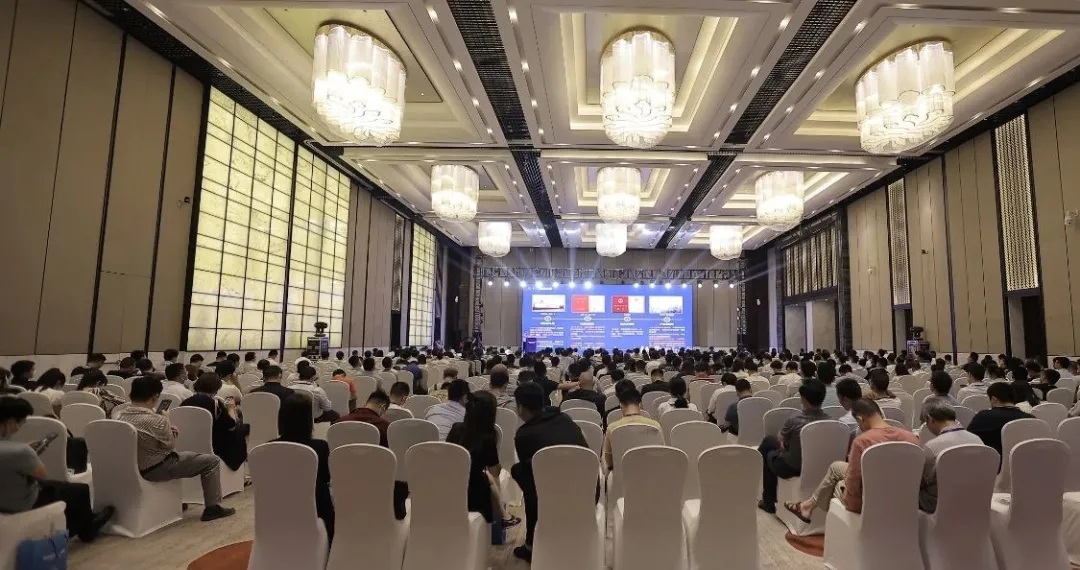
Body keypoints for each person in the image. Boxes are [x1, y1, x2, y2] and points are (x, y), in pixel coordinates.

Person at [116, 377, 235, 521]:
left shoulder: (119, 416)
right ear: (154, 397)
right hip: (156, 468)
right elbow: (169, 445)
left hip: (130, 468)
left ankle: (175, 500)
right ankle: (212, 508)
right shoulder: (156, 420)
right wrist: (166, 420)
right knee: (212, 461)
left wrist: (164, 427)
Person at [783, 399, 919, 521]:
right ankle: (807, 506)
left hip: (868, 501)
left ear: (860, 419)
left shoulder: (863, 441)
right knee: (836, 467)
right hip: (904, 499)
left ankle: (809, 507)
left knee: (838, 483)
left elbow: (853, 484)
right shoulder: (911, 438)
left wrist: (846, 490)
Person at [0, 397, 115, 541]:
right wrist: (30, 456)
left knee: (62, 487)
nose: (20, 427)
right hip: (21, 501)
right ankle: (83, 530)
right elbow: (42, 475)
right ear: (11, 422)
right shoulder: (21, 452)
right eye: (22, 422)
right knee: (80, 490)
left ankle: (87, 523)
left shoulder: (17, 449)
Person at [510, 382, 591, 562]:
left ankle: (531, 545)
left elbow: (532, 476)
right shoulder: (564, 418)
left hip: (551, 495)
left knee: (523, 477)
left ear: (520, 407)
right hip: (588, 490)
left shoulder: (523, 435)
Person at [446, 391, 520, 528]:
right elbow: (494, 471)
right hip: (474, 494)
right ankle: (504, 517)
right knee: (487, 478)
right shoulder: (488, 437)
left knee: (484, 478)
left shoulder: (456, 429)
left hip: (449, 485)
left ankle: (505, 517)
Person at [757, 380, 829, 514]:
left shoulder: (795, 420)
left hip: (792, 467)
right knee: (769, 442)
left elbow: (781, 439)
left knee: (769, 453)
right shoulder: (829, 420)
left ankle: (768, 502)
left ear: (803, 398)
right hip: (818, 465)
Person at [273, 393, 333, 541]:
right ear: (308, 419)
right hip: (315, 509)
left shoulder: (269, 448)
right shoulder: (320, 447)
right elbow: (326, 477)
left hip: (278, 507)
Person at [919, 400, 982, 512]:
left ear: (931, 419)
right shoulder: (977, 440)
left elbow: (921, 482)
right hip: (974, 500)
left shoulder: (932, 447)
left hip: (939, 505)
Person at [180, 373, 248, 472]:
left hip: (189, 444)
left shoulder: (185, 403)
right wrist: (231, 409)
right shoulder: (216, 405)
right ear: (216, 388)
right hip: (214, 446)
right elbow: (231, 426)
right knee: (242, 430)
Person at [967, 382, 1035, 463]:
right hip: (1026, 465)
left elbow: (969, 442)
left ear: (994, 399)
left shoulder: (983, 417)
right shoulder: (1030, 419)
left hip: (991, 465)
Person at [602, 381, 662, 469]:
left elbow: (609, 462)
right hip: (651, 472)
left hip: (622, 475)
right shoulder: (655, 426)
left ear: (621, 405)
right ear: (640, 404)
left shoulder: (612, 428)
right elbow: (661, 454)